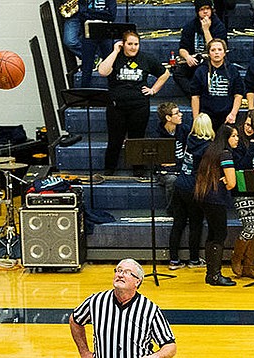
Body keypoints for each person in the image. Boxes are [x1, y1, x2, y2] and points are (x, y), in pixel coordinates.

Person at [97, 31, 171, 177]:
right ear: (123, 44)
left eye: (136, 44)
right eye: (129, 44)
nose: (133, 47)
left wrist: (153, 90)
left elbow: (165, 74)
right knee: (115, 139)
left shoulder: (146, 58)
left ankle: (138, 169)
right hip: (116, 106)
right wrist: (115, 51)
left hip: (139, 106)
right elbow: (102, 72)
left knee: (137, 139)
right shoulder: (115, 57)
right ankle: (109, 169)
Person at [193, 124, 240, 286]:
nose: (237, 139)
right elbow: (232, 183)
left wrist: (226, 179)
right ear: (226, 138)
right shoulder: (226, 154)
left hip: (205, 196)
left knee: (212, 234)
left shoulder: (211, 150)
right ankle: (215, 275)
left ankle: (210, 274)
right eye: (234, 136)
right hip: (216, 198)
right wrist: (227, 181)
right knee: (220, 235)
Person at [169, 114, 216, 270]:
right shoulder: (208, 147)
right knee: (196, 225)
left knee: (178, 223)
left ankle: (174, 260)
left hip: (180, 184)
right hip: (193, 189)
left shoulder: (190, 139)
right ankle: (194, 260)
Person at [230, 111, 254, 279]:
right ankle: (236, 259)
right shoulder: (237, 141)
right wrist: (252, 148)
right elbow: (240, 165)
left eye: (253, 126)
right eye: (247, 125)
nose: (249, 128)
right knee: (249, 226)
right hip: (242, 189)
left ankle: (249, 267)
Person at [192, 38, 245, 128]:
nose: (216, 52)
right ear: (208, 54)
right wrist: (196, 119)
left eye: (220, 50)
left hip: (227, 116)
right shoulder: (201, 71)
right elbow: (195, 96)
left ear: (224, 53)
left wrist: (233, 114)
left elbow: (238, 94)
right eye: (213, 50)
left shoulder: (232, 70)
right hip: (206, 117)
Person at [65, 0, 117, 88]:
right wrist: (102, 14)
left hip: (106, 33)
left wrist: (91, 14)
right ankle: (85, 96)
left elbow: (112, 15)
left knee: (111, 66)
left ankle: (114, 92)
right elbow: (82, 15)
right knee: (86, 70)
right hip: (89, 33)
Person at [156, 101, 191, 212]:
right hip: (166, 172)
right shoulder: (158, 135)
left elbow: (189, 152)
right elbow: (161, 162)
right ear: (168, 117)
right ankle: (173, 211)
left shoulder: (184, 129)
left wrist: (176, 162)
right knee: (172, 180)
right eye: (176, 113)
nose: (181, 115)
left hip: (181, 166)